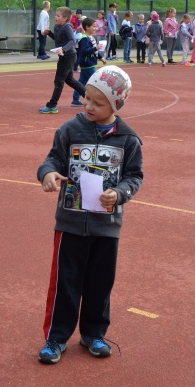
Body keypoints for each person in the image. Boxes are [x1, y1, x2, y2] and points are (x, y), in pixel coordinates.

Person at [36, 66, 143, 364]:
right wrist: (47, 174)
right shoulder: (70, 130)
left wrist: (119, 193)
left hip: (106, 226)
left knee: (100, 283)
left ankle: (94, 333)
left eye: (98, 103)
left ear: (116, 105)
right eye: (87, 99)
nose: (88, 106)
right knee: (65, 283)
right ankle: (56, 337)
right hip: (70, 223)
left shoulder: (128, 139)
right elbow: (52, 160)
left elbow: (135, 176)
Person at [39, 7, 88, 114]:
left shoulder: (67, 27)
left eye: (58, 16)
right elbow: (58, 39)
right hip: (63, 56)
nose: (55, 17)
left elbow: (72, 40)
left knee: (59, 80)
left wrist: (63, 49)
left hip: (69, 56)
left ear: (65, 18)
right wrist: (49, 33)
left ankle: (52, 105)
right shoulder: (57, 26)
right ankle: (89, 96)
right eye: (56, 15)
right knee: (69, 80)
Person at [71, 17, 100, 107]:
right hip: (88, 64)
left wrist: (101, 57)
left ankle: (75, 99)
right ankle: (96, 100)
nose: (95, 28)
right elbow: (84, 51)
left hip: (89, 63)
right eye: (94, 26)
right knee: (96, 81)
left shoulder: (91, 38)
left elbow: (94, 51)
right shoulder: (84, 39)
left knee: (81, 83)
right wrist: (96, 48)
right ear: (87, 27)